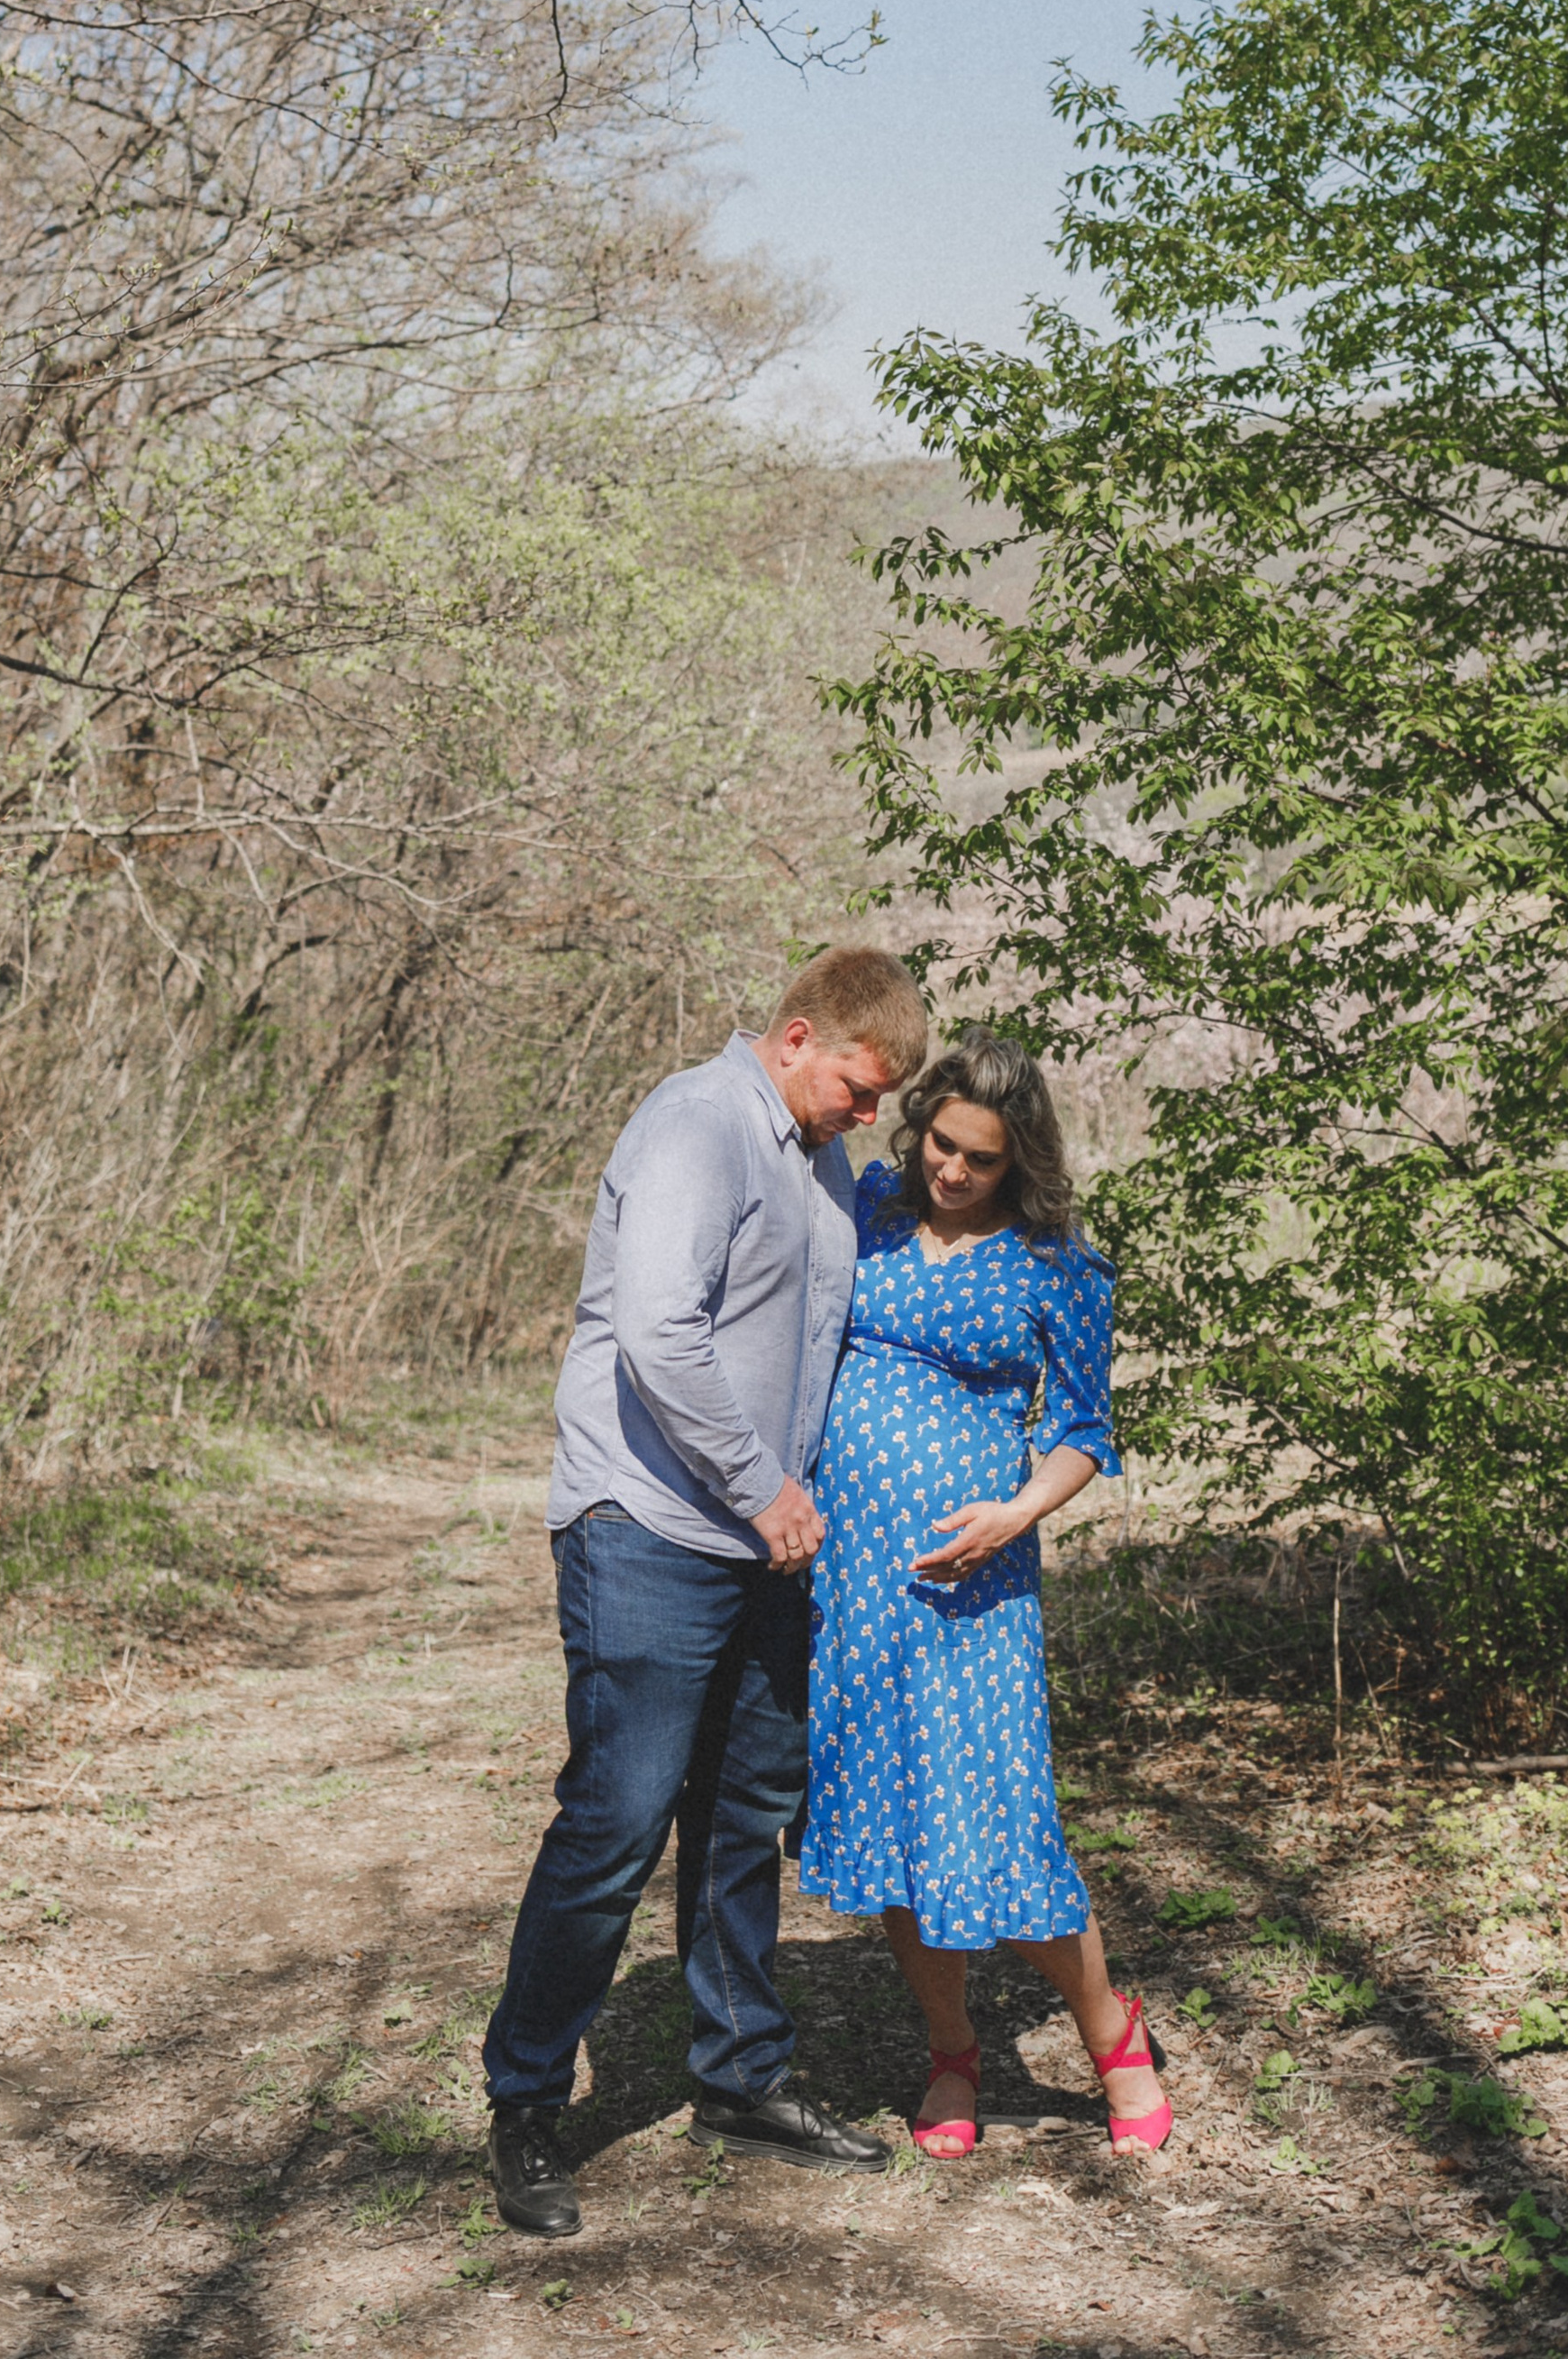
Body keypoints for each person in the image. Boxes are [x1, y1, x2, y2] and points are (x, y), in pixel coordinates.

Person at [480, 945, 931, 2239]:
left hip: (763, 1547)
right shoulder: (696, 1125)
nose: (870, 1111)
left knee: (744, 1817)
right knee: (617, 1818)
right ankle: (525, 2104)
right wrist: (758, 1485)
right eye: (860, 1083)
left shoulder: (824, 1160)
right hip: (655, 1526)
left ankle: (741, 2078)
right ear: (799, 1037)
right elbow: (658, 1330)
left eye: (883, 1095)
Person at [799, 1032, 1172, 2157]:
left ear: (1022, 1162)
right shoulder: (863, 1208)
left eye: (979, 1159)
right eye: (940, 1146)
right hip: (854, 1583)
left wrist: (1016, 1512)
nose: (951, 1172)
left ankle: (1112, 2036)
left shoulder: (1054, 1264)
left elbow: (1080, 1435)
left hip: (977, 1586)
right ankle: (952, 2052)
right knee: (903, 1822)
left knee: (1000, 1827)